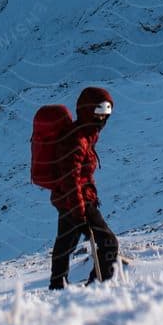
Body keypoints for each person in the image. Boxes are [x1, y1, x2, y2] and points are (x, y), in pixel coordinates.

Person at [48, 86, 119, 290]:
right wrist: (80, 209)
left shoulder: (85, 135)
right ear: (87, 110)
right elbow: (71, 178)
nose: (104, 116)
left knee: (65, 245)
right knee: (108, 243)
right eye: (99, 109)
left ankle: (58, 287)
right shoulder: (78, 140)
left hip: (68, 200)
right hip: (78, 201)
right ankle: (99, 286)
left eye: (108, 110)